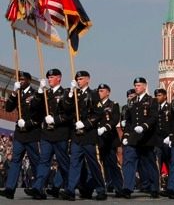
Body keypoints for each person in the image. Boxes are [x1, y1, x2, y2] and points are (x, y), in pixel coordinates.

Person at [24, 68, 74, 199]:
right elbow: (33, 109)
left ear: (59, 78)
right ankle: (38, 187)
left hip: (60, 133)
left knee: (63, 163)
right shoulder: (45, 94)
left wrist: (56, 120)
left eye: (52, 77)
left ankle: (69, 189)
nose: (49, 79)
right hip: (46, 134)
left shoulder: (66, 93)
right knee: (43, 161)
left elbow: (69, 113)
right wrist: (40, 91)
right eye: (48, 77)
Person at [59, 71, 107, 201]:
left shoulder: (93, 94)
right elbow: (66, 109)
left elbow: (99, 114)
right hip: (76, 136)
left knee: (93, 164)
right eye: (77, 79)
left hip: (89, 135)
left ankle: (101, 189)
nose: (79, 81)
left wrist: (85, 124)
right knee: (74, 163)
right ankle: (70, 190)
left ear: (88, 80)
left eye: (81, 79)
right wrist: (69, 95)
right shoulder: (74, 94)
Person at [0, 71, 42, 199]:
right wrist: (13, 93)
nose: (21, 81)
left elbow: (38, 113)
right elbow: (8, 109)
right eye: (19, 79)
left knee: (35, 162)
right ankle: (9, 189)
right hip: (19, 134)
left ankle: (38, 188)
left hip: (31, 133)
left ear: (29, 80)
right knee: (15, 161)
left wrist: (27, 123)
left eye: (23, 79)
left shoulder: (35, 94)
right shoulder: (17, 93)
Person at [121, 77, 159, 199]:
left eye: (138, 85)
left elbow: (154, 117)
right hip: (133, 138)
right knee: (128, 161)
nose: (136, 87)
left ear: (144, 86)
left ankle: (154, 188)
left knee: (149, 163)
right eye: (135, 85)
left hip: (147, 138)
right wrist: (126, 135)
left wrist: (144, 126)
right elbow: (128, 121)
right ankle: (127, 188)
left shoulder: (152, 101)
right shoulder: (132, 102)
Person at [97, 84, 123, 197]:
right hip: (99, 139)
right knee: (101, 163)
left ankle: (119, 186)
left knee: (112, 163)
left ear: (108, 92)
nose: (100, 93)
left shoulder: (113, 105)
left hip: (110, 139)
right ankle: (106, 185)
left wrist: (105, 128)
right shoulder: (95, 105)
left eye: (102, 91)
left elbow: (115, 119)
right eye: (99, 91)